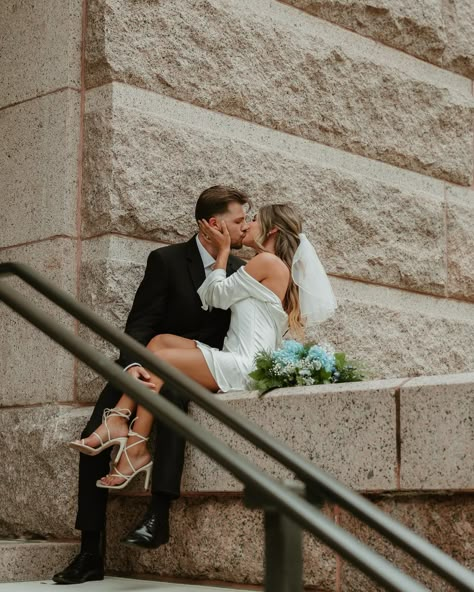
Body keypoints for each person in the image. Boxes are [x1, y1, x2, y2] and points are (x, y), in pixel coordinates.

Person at [52, 185, 251, 585]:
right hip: (144, 365)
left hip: (195, 370)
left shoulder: (240, 270)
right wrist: (132, 367)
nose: (245, 226)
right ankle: (90, 551)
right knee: (91, 438)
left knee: (174, 401)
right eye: (238, 220)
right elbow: (139, 324)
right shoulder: (166, 261)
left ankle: (158, 515)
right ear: (213, 224)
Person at [76, 203, 337, 494]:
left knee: (161, 360)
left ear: (272, 230)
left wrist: (224, 252)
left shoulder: (267, 262)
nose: (247, 225)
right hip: (238, 357)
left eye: (254, 220)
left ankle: (133, 441)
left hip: (246, 365)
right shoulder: (275, 265)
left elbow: (214, 296)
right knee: (160, 341)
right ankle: (119, 423)